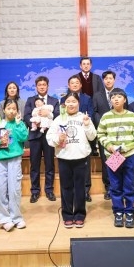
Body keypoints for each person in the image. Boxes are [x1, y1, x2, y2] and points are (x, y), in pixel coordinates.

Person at [97, 88, 134, 229]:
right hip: (113, 156)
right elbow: (100, 134)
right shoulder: (106, 116)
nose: (116, 99)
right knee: (115, 185)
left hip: (129, 155)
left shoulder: (131, 115)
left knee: (129, 185)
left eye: (119, 97)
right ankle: (118, 212)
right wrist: (109, 146)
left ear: (125, 99)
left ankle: (130, 212)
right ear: (110, 100)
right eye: (113, 97)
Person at [46, 92, 96, 228]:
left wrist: (87, 124)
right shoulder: (59, 119)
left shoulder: (84, 117)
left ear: (78, 103)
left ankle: (80, 215)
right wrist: (58, 138)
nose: (71, 104)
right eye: (68, 101)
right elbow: (49, 138)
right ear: (64, 104)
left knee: (80, 188)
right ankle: (67, 215)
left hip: (81, 157)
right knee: (66, 187)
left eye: (74, 101)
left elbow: (92, 137)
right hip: (64, 157)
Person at [0, 99, 29, 231]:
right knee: (1, 188)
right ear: (4, 110)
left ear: (17, 111)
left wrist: (19, 123)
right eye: (9, 108)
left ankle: (17, 217)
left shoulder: (19, 123)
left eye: (14, 109)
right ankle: (4, 219)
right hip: (0, 160)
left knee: (15, 189)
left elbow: (24, 137)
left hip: (15, 159)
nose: (11, 111)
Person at [23, 75, 60, 203]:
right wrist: (35, 123)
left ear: (48, 86)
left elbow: (58, 116)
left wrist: (48, 114)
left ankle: (49, 190)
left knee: (50, 164)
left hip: (49, 136)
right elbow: (26, 116)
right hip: (35, 136)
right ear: (36, 87)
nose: (42, 87)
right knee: (34, 165)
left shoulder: (54, 100)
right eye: (39, 85)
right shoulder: (30, 100)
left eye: (44, 85)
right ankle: (35, 191)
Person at [61, 74, 94, 201]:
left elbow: (90, 113)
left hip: (83, 133)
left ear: (80, 85)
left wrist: (86, 122)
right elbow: (61, 115)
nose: (74, 84)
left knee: (85, 166)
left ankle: (86, 191)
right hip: (68, 137)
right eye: (72, 83)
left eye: (77, 83)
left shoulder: (87, 98)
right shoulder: (63, 99)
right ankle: (73, 192)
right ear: (68, 85)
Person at [92, 70, 116, 200]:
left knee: (117, 159)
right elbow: (94, 112)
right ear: (103, 80)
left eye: (110, 78)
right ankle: (109, 188)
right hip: (104, 133)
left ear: (114, 80)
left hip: (118, 134)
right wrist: (102, 124)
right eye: (106, 78)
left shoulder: (120, 93)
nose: (108, 80)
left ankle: (117, 186)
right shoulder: (97, 95)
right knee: (106, 160)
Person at [78, 57, 104, 157]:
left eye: (88, 64)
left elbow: (101, 92)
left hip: (94, 106)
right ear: (80, 66)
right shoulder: (76, 78)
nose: (86, 66)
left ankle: (94, 148)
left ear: (91, 65)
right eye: (84, 64)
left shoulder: (96, 78)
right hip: (81, 106)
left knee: (93, 125)